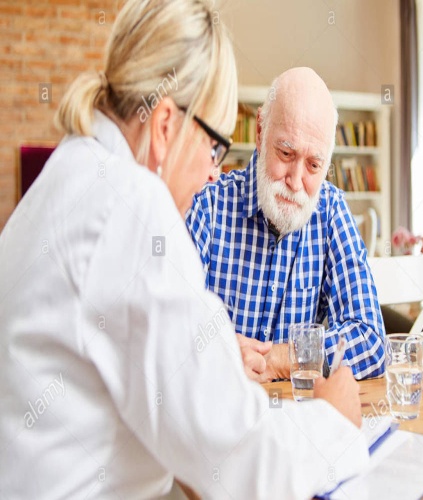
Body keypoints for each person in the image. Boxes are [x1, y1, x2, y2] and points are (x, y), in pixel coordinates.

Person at [0, 2, 369, 499]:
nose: (215, 171)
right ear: (165, 126)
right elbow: (239, 463)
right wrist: (334, 425)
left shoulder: (72, 174)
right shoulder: (129, 207)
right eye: (214, 146)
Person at [186, 67, 386, 382]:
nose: (295, 181)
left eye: (313, 165)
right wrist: (218, 352)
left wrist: (280, 359)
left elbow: (370, 341)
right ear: (260, 133)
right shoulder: (207, 204)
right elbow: (163, 329)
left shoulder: (331, 210)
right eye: (286, 152)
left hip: (295, 423)